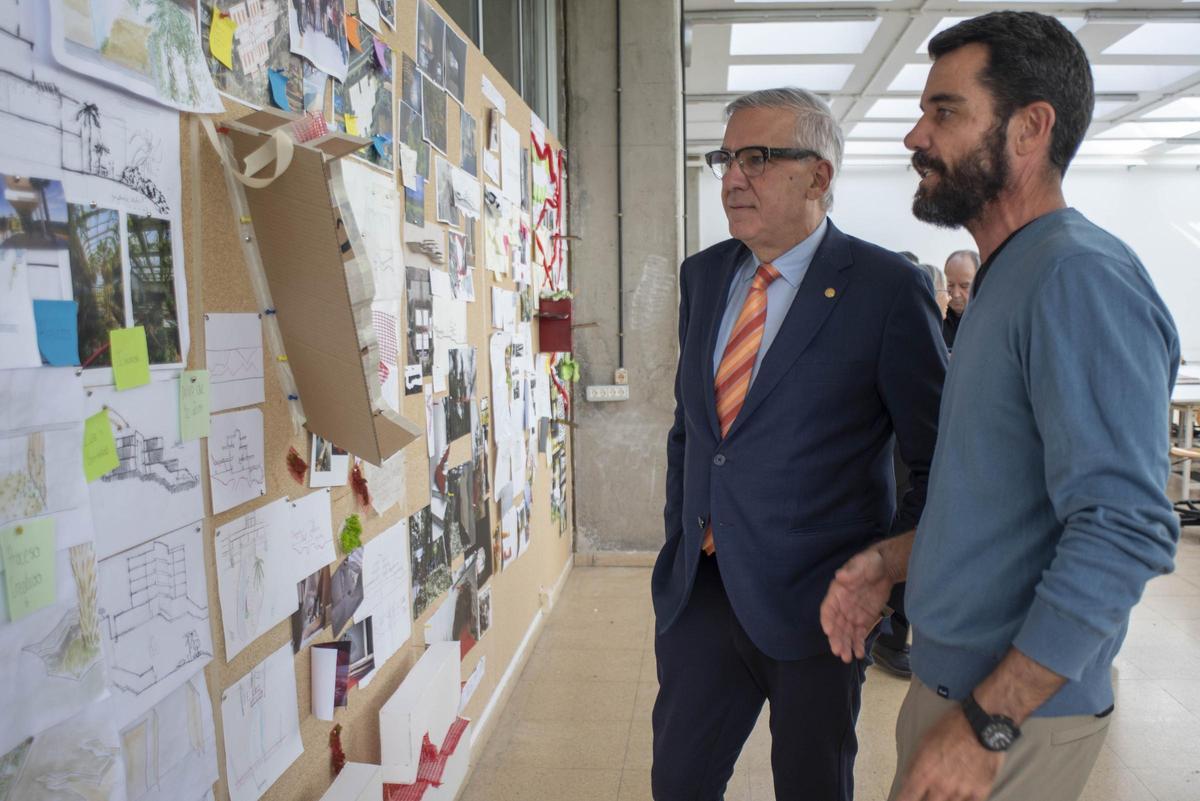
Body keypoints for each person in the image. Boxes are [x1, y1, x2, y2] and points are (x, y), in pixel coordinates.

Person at [820, 12, 1180, 801]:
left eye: (944, 110)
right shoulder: (1006, 277)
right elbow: (1000, 504)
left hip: (1014, 716)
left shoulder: (1076, 279)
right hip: (962, 691)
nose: (916, 134)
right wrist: (890, 560)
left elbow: (1124, 530)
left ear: (1030, 128)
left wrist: (990, 722)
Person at [653, 87, 946, 801]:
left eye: (757, 158)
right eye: (726, 157)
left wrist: (881, 576)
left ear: (818, 177)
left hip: (822, 607)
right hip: (704, 593)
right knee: (678, 784)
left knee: (812, 787)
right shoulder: (705, 274)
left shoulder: (885, 288)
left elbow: (937, 460)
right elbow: (693, 432)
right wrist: (678, 543)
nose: (730, 176)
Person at [941, 249, 979, 348]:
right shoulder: (936, 318)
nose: (956, 294)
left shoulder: (992, 320)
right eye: (950, 285)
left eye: (964, 286)